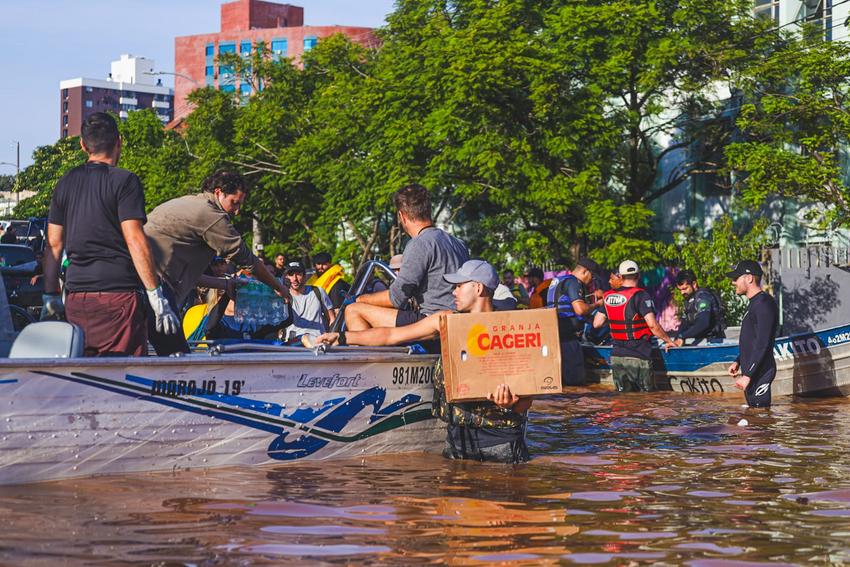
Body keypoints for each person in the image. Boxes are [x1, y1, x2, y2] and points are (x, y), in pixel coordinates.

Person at [316, 260, 532, 463]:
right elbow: (391, 335)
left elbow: (527, 399)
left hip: (500, 442)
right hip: (457, 440)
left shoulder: (510, 330)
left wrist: (510, 404)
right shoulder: (445, 321)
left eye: (459, 286)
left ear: (478, 288)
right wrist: (342, 338)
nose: (453, 291)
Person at [41, 112, 180, 356]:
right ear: (119, 141)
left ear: (83, 145)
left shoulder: (65, 183)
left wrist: (50, 295)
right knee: (122, 372)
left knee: (84, 372)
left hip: (77, 298)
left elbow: (53, 244)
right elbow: (134, 239)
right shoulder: (125, 181)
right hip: (118, 297)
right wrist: (155, 294)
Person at [144, 169, 290, 355]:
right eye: (234, 203)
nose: (237, 211)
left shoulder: (187, 203)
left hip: (137, 284)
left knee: (142, 354)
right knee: (178, 359)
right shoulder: (211, 215)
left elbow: (189, 275)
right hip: (155, 289)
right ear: (219, 192)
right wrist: (278, 286)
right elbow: (248, 260)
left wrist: (224, 284)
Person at [345, 183, 469, 330]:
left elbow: (396, 298)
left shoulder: (420, 244)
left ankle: (367, 346)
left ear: (401, 216)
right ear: (428, 210)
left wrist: (359, 298)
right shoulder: (458, 243)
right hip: (458, 319)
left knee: (353, 310)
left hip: (432, 320)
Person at [593, 260, 676, 392]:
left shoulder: (608, 296)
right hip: (639, 355)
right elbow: (653, 326)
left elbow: (596, 323)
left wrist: (617, 320)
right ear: (638, 275)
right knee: (646, 399)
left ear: (621, 276)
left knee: (623, 399)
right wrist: (668, 340)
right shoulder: (641, 295)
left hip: (617, 357)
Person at [726, 260, 779, 408]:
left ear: (749, 278)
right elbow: (751, 340)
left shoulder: (764, 304)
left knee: (761, 415)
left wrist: (748, 375)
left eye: (736, 278)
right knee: (754, 415)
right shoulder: (754, 303)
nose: (733, 282)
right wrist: (738, 361)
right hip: (752, 371)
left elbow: (763, 343)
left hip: (760, 371)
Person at [547, 258, 604, 386]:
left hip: (555, 337)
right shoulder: (573, 282)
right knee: (575, 383)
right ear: (585, 271)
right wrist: (598, 304)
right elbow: (580, 309)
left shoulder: (558, 280)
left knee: (562, 382)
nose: (592, 281)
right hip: (568, 340)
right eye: (592, 277)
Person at [282, 260, 336, 343]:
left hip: (318, 341)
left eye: (298, 274)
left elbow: (332, 318)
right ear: (286, 277)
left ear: (304, 276)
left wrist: (331, 336)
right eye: (291, 275)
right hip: (292, 342)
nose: (294, 279)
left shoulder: (318, 291)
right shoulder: (283, 295)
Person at [673, 269, 726, 346]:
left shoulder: (703, 297)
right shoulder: (689, 300)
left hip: (713, 341)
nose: (682, 292)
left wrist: (683, 336)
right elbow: (684, 323)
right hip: (700, 341)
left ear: (694, 284)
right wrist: (677, 339)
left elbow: (703, 322)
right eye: (680, 290)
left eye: (685, 289)